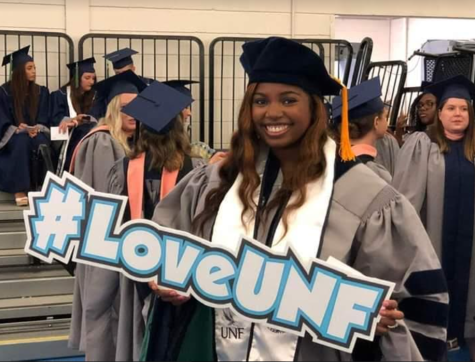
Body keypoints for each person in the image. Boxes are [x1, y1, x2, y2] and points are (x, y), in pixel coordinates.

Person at [142, 37, 448, 362]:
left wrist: (375, 318)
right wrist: (167, 283)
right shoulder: (214, 183)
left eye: (288, 100)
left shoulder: (365, 196)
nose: (273, 112)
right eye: (261, 101)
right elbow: (163, 250)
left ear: (314, 108)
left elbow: (414, 304)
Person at [107, 80, 204, 361]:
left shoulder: (123, 167)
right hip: (180, 273)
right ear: (179, 127)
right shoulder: (195, 170)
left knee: (139, 334)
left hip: (132, 267)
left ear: (142, 127)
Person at [393, 75, 475, 362]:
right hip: (433, 243)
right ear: (439, 114)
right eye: (451, 108)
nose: (457, 114)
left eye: (463, 109)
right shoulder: (421, 144)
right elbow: (406, 201)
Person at [68, 70, 147, 361]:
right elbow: (105, 198)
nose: (133, 114)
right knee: (105, 310)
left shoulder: (128, 143)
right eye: (125, 107)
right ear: (113, 108)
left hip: (121, 241)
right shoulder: (101, 142)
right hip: (104, 241)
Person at [0, 46, 50, 206]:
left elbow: (45, 116)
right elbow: (2, 119)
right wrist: (16, 129)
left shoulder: (41, 91)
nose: (34, 71)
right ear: (19, 71)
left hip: (35, 132)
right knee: (21, 141)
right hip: (14, 137)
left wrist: (36, 128)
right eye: (29, 68)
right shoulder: (3, 92)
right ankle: (19, 189)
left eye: (34, 68)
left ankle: (43, 187)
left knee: (41, 141)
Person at [332, 77, 392, 183]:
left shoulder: (332, 165)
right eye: (385, 116)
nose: (387, 121)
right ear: (376, 122)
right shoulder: (375, 174)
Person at [50, 57, 100, 174]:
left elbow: (97, 117)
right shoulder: (60, 95)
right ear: (76, 78)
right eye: (87, 78)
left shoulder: (96, 96)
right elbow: (55, 119)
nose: (91, 82)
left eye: (93, 78)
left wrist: (80, 120)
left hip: (90, 136)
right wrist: (71, 120)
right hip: (67, 139)